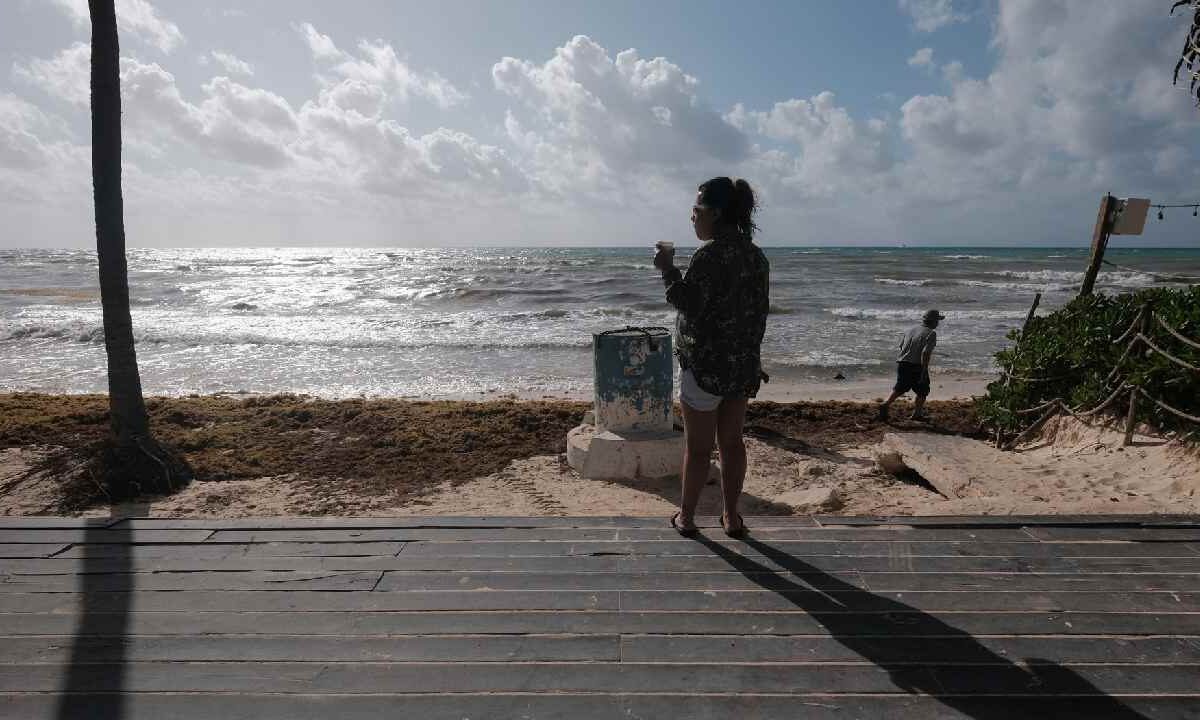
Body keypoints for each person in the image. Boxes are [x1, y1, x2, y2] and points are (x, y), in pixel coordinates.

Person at [653, 177, 770, 539]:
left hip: (705, 367)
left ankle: (687, 518)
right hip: (741, 366)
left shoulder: (710, 255)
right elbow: (758, 312)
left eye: (697, 211)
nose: (692, 218)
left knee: (699, 448)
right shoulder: (755, 255)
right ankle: (731, 517)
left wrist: (668, 269)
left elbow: (689, 302)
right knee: (732, 443)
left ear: (716, 213)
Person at [877, 309, 945, 422]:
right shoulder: (931, 333)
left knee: (900, 387)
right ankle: (917, 414)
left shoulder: (910, 330)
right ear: (933, 321)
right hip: (916, 365)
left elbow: (901, 346)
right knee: (923, 390)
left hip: (902, 362)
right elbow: (925, 353)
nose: (938, 323)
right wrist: (924, 370)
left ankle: (886, 404)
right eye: (937, 321)